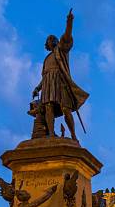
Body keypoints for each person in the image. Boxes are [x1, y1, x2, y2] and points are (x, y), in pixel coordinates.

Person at [32, 9, 89, 140]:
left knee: (66, 108)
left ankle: (74, 136)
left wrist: (69, 22)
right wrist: (37, 88)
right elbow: (45, 76)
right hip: (48, 84)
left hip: (60, 82)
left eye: (51, 39)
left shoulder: (61, 50)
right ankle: (51, 134)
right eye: (48, 39)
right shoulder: (46, 59)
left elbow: (67, 37)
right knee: (48, 107)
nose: (50, 40)